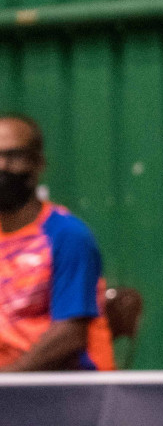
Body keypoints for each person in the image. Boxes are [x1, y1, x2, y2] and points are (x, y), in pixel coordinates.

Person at [0, 114, 116, 371]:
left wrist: (8, 381)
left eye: (14, 156)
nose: (3, 166)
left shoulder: (67, 235)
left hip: (67, 389)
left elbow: (69, 336)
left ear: (38, 164)